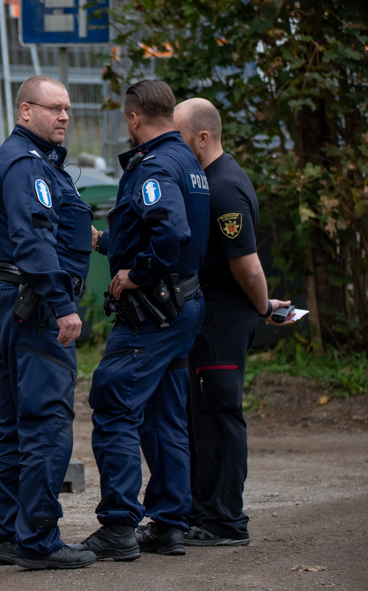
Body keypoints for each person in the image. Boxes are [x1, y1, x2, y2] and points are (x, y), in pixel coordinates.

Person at [78, 79, 210, 560]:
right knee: (164, 414)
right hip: (182, 307)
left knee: (113, 403)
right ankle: (170, 523)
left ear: (134, 118)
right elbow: (165, 231)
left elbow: (170, 233)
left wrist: (137, 273)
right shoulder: (187, 163)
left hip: (152, 315)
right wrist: (104, 243)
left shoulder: (153, 166)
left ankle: (118, 528)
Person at [0, 76, 96, 571]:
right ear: (26, 111)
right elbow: (33, 238)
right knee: (45, 424)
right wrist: (62, 303)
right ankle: (38, 540)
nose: (64, 117)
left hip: (7, 298)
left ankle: (11, 533)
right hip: (35, 303)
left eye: (67, 109)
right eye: (54, 109)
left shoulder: (2, 160)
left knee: (13, 426)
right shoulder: (28, 165)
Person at [173, 97, 294, 547]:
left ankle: (225, 521)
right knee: (201, 417)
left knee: (220, 416)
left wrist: (263, 307)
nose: (176, 147)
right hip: (212, 318)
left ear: (203, 137)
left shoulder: (223, 188)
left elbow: (247, 265)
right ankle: (202, 511)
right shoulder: (210, 179)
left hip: (223, 321)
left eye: (181, 138)